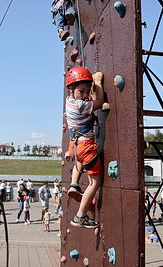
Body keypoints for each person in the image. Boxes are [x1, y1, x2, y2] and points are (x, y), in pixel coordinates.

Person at [64, 67, 104, 229]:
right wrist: (98, 83)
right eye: (82, 91)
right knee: (95, 182)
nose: (86, 95)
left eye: (88, 91)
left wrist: (89, 88)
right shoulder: (80, 106)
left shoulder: (69, 101)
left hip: (77, 145)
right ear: (72, 89)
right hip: (86, 147)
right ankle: (80, 216)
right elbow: (100, 102)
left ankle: (74, 183)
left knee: (79, 166)